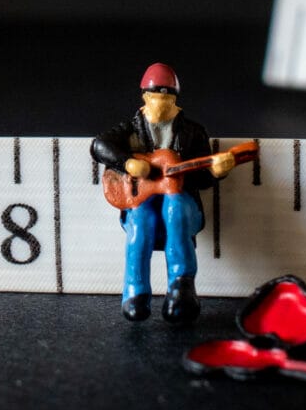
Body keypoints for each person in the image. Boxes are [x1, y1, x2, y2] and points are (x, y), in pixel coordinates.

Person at [90, 63, 235, 323]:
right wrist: (128, 163)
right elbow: (99, 146)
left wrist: (216, 171)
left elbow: (202, 179)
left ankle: (181, 288)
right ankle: (135, 292)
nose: (160, 104)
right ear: (144, 97)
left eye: (167, 99)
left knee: (175, 210)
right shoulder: (131, 128)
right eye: (154, 97)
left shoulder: (192, 133)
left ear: (175, 100)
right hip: (141, 199)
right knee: (140, 221)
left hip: (182, 201)